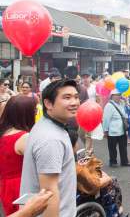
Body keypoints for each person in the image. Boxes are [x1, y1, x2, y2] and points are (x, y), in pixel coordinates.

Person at [20, 79, 80, 217]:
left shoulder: (49, 125)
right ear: (48, 103)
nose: (74, 102)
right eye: (67, 97)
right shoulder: (51, 139)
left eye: (76, 97)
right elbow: (48, 193)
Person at [0, 96, 36, 215]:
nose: (36, 112)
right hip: (22, 186)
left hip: (6, 185)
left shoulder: (4, 132)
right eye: (34, 109)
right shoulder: (24, 137)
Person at [103, 90, 130, 167]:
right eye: (117, 95)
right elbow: (106, 119)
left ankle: (124, 161)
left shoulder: (121, 103)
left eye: (119, 95)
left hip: (122, 129)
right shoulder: (109, 105)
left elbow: (126, 113)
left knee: (123, 147)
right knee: (112, 148)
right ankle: (113, 161)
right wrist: (105, 130)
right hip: (113, 130)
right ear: (112, 96)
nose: (119, 96)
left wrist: (125, 101)